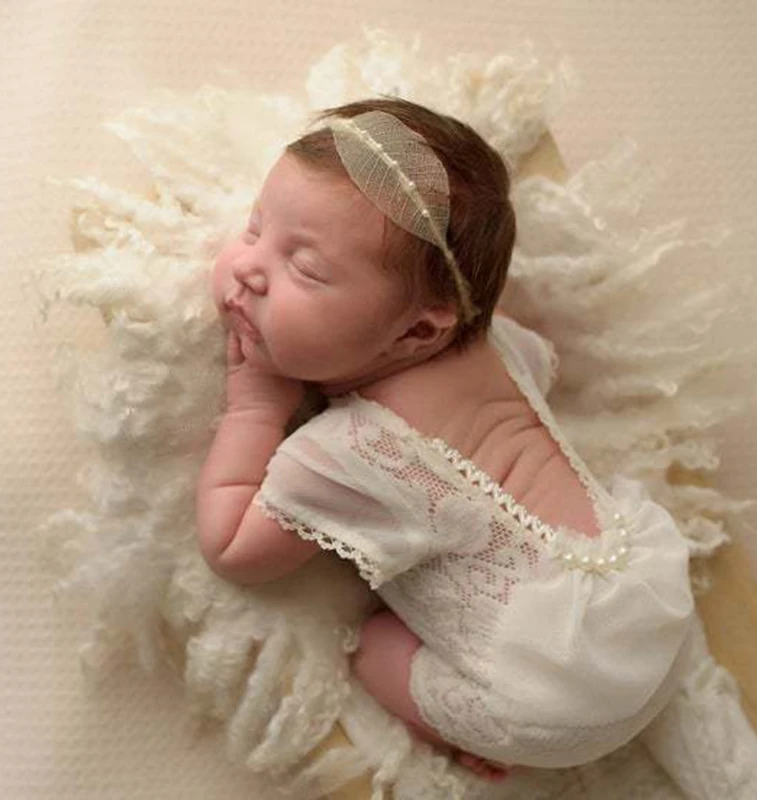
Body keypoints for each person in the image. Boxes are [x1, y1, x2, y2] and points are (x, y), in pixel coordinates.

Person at [195, 98, 695, 782]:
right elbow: (543, 359)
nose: (249, 269)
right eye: (255, 229)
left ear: (418, 331)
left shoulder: (352, 453)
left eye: (304, 268)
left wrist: (253, 407)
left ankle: (461, 729)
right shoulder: (503, 348)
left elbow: (232, 549)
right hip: (652, 612)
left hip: (550, 709)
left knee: (369, 646)